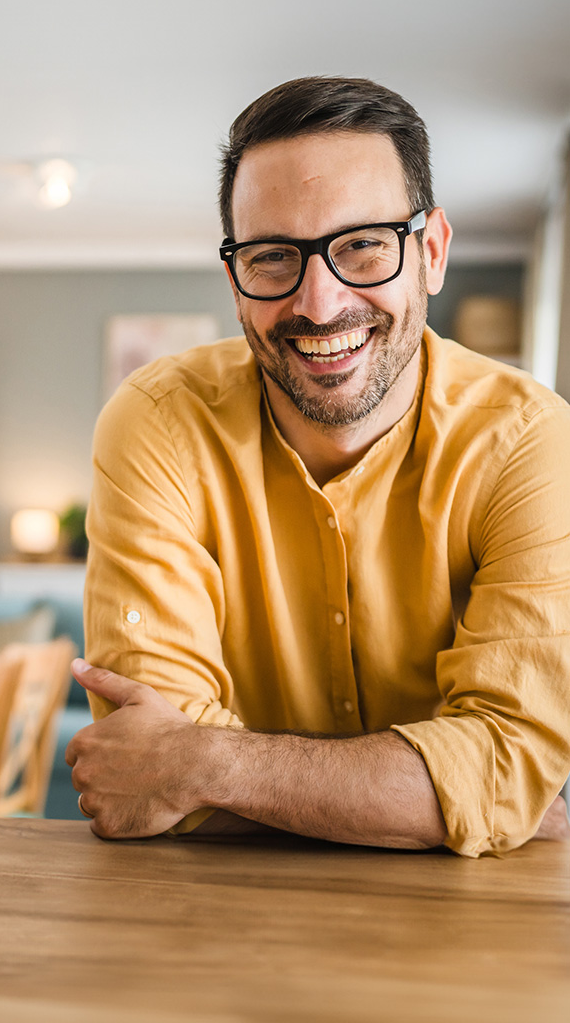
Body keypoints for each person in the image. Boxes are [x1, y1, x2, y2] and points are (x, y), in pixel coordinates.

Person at [65, 76, 570, 857]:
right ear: (235, 277)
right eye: (272, 257)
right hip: (206, 925)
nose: (321, 302)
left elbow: (506, 769)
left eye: (362, 246)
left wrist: (202, 766)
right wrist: (449, 800)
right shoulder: (157, 424)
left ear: (430, 251)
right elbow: (141, 768)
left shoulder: (534, 444)